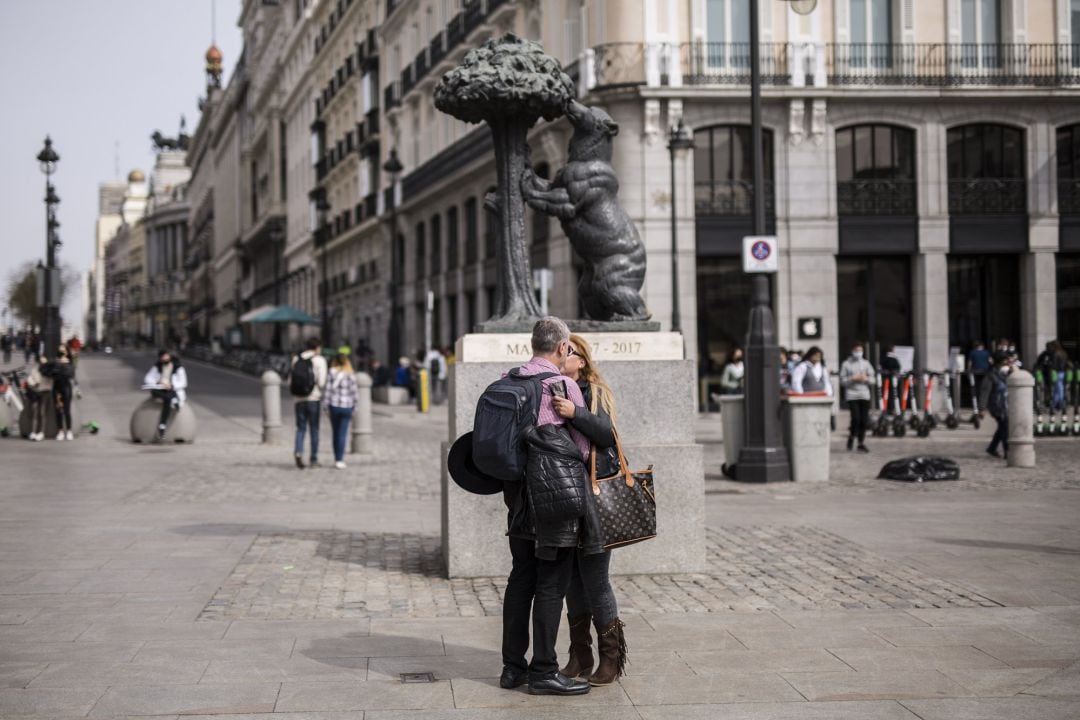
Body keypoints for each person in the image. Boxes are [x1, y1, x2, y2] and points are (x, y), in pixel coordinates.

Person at [499, 316, 591, 697]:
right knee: (551, 584)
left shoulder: (509, 379)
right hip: (554, 499)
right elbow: (583, 449)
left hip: (517, 497)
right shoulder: (563, 384)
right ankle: (544, 671)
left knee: (521, 579)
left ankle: (512, 669)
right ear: (561, 348)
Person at [551, 334, 628, 686]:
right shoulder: (555, 388)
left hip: (595, 499)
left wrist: (575, 412)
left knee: (596, 579)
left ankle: (611, 657)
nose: (561, 355)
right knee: (572, 582)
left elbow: (606, 435)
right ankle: (579, 655)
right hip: (568, 496)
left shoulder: (595, 392)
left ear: (581, 360)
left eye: (568, 352)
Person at [291, 337, 328, 469]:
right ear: (317, 347)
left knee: (300, 428)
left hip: (298, 398)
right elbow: (322, 382)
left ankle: (298, 451)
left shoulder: (297, 359)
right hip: (313, 398)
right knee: (314, 429)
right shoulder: (319, 360)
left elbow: (292, 379)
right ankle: (313, 459)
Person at [143, 349, 188, 441]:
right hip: (160, 389)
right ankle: (173, 400)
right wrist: (158, 382)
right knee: (159, 393)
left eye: (166, 356)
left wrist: (171, 385)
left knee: (168, 398)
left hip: (172, 389)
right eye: (162, 357)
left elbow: (183, 383)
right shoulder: (157, 367)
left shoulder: (178, 368)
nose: (164, 358)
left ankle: (162, 425)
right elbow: (148, 378)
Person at [840, 342, 875, 452]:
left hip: (864, 394)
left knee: (864, 420)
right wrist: (852, 379)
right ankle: (852, 437)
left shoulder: (866, 363)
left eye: (860, 351)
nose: (858, 353)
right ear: (852, 351)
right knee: (856, 418)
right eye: (856, 350)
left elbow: (873, 379)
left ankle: (861, 442)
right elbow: (842, 381)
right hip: (852, 395)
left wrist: (866, 379)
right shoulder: (846, 364)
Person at [325, 352, 358, 470]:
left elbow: (328, 391)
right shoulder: (350, 374)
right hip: (347, 406)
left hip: (334, 406)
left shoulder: (331, 372)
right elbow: (354, 393)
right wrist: (355, 407)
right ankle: (340, 459)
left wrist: (325, 406)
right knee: (342, 433)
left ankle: (336, 458)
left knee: (335, 433)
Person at [986, 354, 1011, 459]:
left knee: (1002, 428)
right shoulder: (991, 375)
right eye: (1005, 362)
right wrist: (982, 408)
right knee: (1004, 428)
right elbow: (985, 391)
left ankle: (992, 448)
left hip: (1005, 405)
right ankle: (1007, 452)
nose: (1007, 365)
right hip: (996, 406)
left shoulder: (1006, 374)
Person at [50, 346, 76, 440]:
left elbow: (70, 374)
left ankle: (69, 430)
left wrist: (63, 365)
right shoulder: (55, 362)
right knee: (58, 410)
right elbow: (53, 374)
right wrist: (59, 364)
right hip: (56, 388)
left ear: (66, 352)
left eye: (63, 351)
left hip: (66, 388)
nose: (62, 353)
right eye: (60, 351)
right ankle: (60, 431)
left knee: (67, 410)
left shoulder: (70, 362)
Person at [24, 354, 51, 442]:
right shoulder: (35, 369)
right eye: (41, 360)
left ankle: (41, 432)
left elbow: (50, 383)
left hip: (45, 392)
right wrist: (33, 384)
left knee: (42, 412)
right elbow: (30, 380)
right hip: (35, 392)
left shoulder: (49, 370)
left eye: (44, 360)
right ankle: (33, 432)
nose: (42, 361)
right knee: (34, 411)